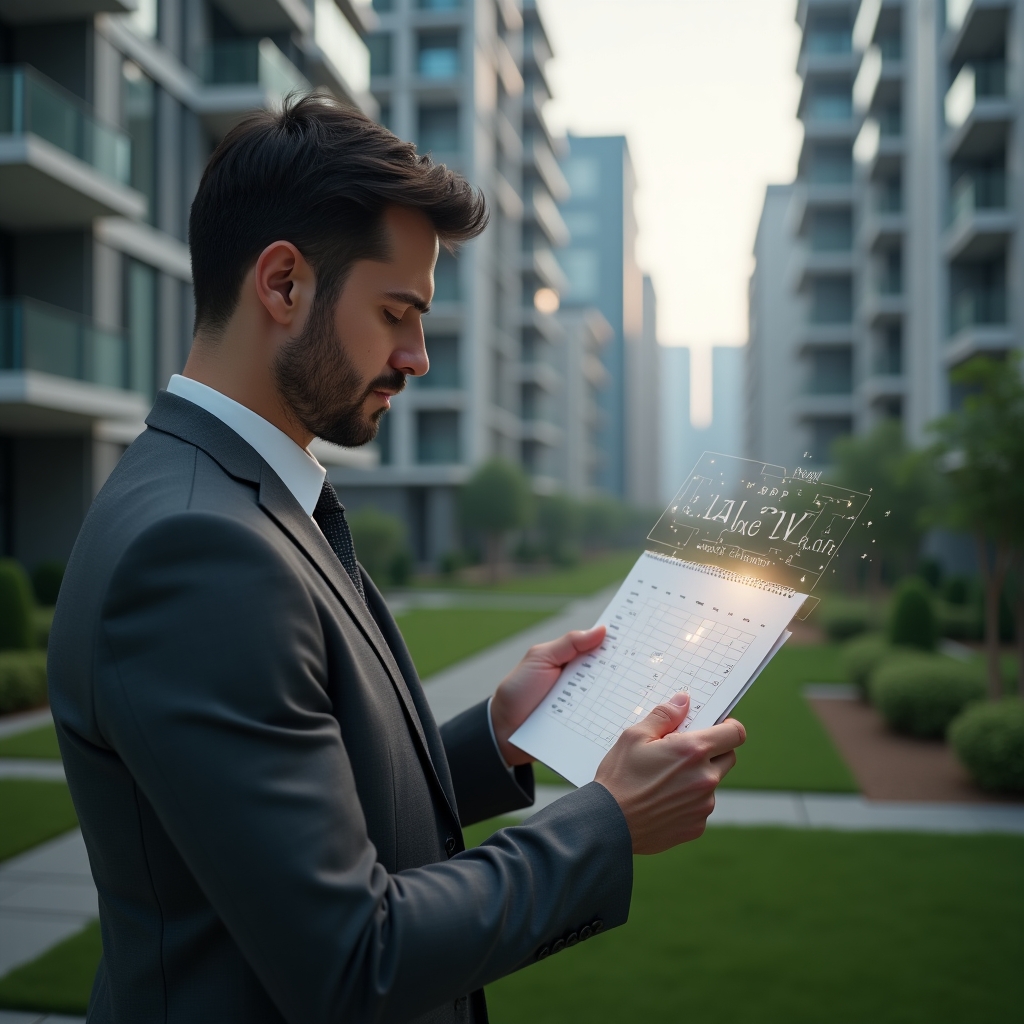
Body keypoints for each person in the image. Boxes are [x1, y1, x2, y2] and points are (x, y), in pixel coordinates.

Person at [48, 95, 746, 1024]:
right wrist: (606, 825)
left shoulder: (226, 496)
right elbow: (353, 961)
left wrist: (497, 738)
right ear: (284, 284)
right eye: (396, 312)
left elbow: (297, 821)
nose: (417, 357)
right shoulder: (198, 551)